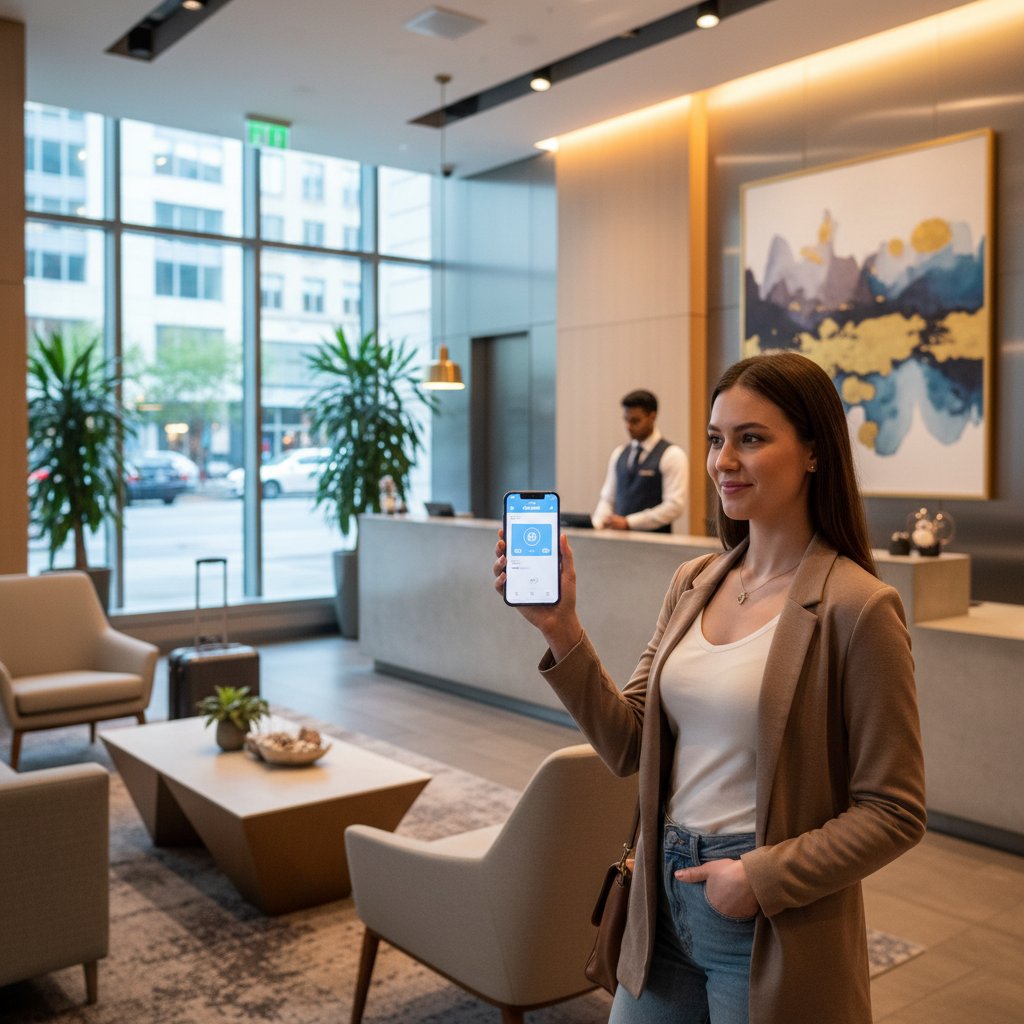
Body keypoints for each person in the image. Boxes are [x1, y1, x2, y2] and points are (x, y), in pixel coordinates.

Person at [493, 352, 926, 1024]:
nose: (724, 460)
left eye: (751, 439)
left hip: (762, 914)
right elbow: (627, 743)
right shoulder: (695, 582)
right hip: (658, 897)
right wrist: (560, 628)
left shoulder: (858, 608)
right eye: (716, 440)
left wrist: (761, 879)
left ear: (814, 453)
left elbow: (894, 810)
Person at [592, 389, 688, 533]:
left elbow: (675, 506)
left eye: (635, 421)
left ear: (652, 417)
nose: (628, 426)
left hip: (655, 545)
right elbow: (607, 498)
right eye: (626, 420)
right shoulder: (618, 454)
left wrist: (630, 522)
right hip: (618, 544)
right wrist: (597, 524)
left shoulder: (672, 455)